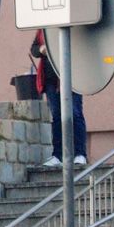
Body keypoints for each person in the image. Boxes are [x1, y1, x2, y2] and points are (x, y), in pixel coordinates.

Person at [31, 28, 87, 167]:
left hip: (72, 76)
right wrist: (41, 49)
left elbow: (82, 45)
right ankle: (57, 155)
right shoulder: (43, 29)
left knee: (75, 114)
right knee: (57, 117)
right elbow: (34, 49)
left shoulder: (73, 26)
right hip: (51, 79)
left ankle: (80, 153)